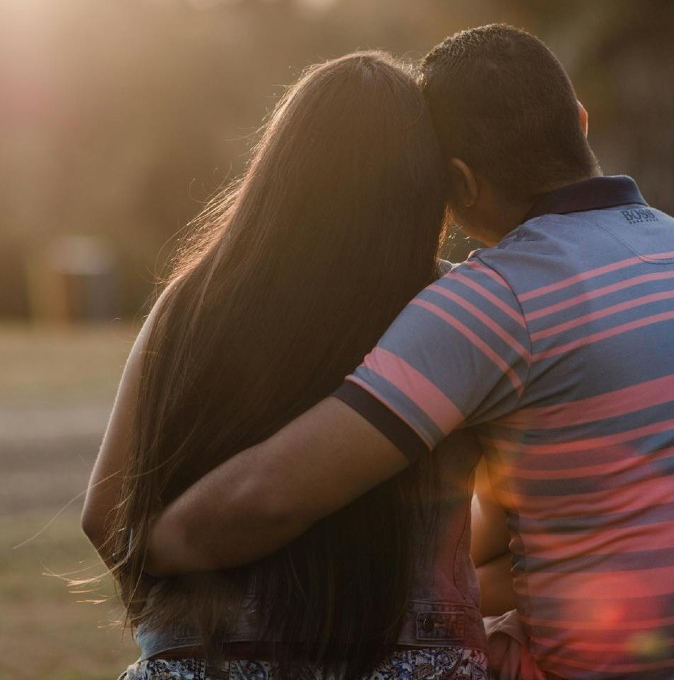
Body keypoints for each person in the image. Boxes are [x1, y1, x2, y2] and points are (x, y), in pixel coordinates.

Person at [147, 25, 674, 679]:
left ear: (457, 184)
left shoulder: (494, 301)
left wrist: (153, 548)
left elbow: (270, 497)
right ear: (579, 119)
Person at [81, 53, 491, 680]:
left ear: (278, 169)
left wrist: (190, 621)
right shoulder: (458, 312)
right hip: (414, 662)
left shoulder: (188, 304)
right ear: (422, 186)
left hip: (198, 661)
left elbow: (104, 516)